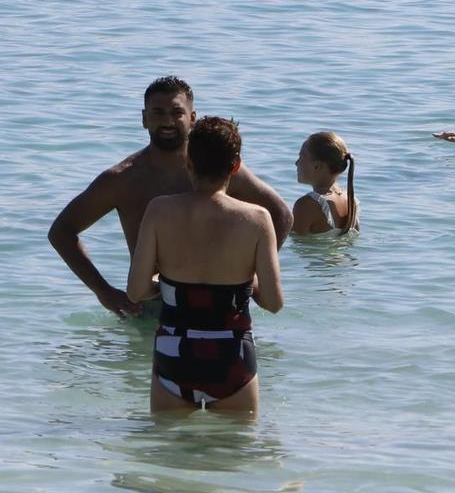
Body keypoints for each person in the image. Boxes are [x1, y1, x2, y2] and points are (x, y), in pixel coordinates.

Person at [48, 76, 293, 318]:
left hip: (223, 302)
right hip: (154, 307)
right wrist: (103, 291)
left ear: (192, 118)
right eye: (157, 112)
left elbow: (281, 214)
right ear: (144, 119)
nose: (167, 121)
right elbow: (62, 232)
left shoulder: (218, 169)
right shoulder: (122, 180)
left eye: (176, 112)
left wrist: (253, 278)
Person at [127, 116, 283, 414]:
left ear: (188, 161)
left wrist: (172, 289)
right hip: (232, 355)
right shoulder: (258, 220)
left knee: (164, 455)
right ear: (235, 165)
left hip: (175, 351)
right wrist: (242, 284)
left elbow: (136, 291)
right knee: (234, 456)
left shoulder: (160, 210)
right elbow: (274, 303)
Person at [291, 130, 358, 235]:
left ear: (318, 166)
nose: (296, 163)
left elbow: (295, 244)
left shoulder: (307, 205)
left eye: (301, 157)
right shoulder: (351, 201)